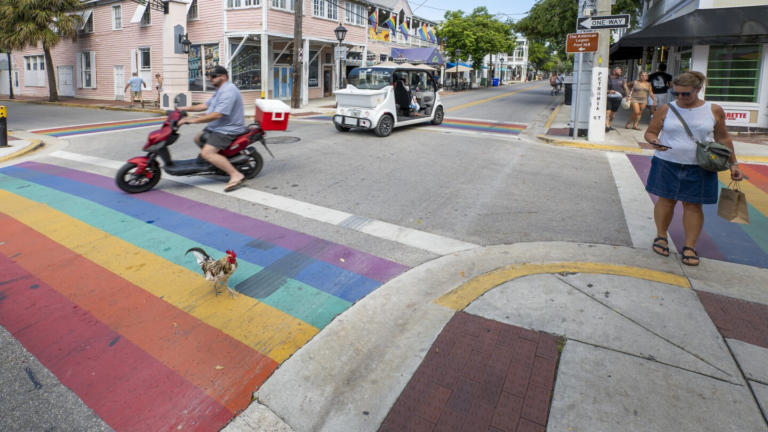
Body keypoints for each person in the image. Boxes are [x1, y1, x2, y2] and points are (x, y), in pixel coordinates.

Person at [643, 71, 743, 266]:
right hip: (666, 163)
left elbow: (723, 138)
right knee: (665, 201)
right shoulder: (666, 109)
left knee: (693, 206)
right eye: (676, 93)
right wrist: (654, 141)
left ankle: (690, 246)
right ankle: (661, 236)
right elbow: (650, 132)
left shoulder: (713, 110)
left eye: (686, 93)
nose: (680, 97)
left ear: (698, 89)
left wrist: (734, 163)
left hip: (701, 166)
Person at [177, 66, 249, 192]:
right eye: (209, 76)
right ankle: (218, 161)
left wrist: (191, 120)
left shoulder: (228, 91)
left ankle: (235, 175)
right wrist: (185, 109)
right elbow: (206, 105)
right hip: (218, 127)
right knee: (198, 138)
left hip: (227, 129)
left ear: (223, 76)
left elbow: (217, 114)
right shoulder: (220, 90)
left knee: (207, 153)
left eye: (213, 76)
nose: (210, 78)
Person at [605, 67, 630, 132]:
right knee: (607, 112)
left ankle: (609, 125)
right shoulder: (607, 78)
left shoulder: (622, 79)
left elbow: (625, 88)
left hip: (618, 98)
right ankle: (606, 125)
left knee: (613, 113)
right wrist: (609, 91)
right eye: (619, 70)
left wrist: (627, 96)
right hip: (608, 97)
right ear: (614, 71)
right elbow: (602, 88)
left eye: (620, 70)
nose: (620, 72)